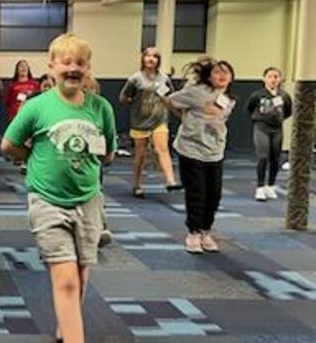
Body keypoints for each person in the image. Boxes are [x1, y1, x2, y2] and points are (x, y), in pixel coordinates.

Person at [2, 34, 116, 343]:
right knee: (65, 280)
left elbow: (108, 153)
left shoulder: (101, 107)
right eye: (66, 62)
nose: (73, 68)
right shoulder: (37, 107)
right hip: (47, 200)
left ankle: (65, 328)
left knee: (80, 276)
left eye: (80, 63)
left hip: (89, 200)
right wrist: (34, 158)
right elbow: (8, 145)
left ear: (88, 68)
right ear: (51, 67)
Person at [166, 58, 236, 254]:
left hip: (215, 151)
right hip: (191, 148)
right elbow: (170, 100)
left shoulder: (229, 99)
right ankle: (193, 232)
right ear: (209, 76)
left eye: (226, 73)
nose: (222, 76)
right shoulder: (196, 91)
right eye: (217, 72)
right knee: (196, 192)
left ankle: (206, 231)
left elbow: (219, 121)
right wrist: (184, 118)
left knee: (214, 195)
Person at [119, 47, 181, 198]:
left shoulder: (164, 79)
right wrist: (130, 100)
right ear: (143, 59)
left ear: (158, 61)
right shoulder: (135, 79)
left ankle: (170, 181)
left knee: (162, 148)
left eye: (155, 56)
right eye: (148, 56)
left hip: (159, 119)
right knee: (140, 153)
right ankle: (137, 184)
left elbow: (170, 99)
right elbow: (123, 97)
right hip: (140, 120)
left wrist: (179, 114)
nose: (151, 59)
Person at [246, 67, 293, 201]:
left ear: (280, 79)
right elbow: (249, 109)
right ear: (264, 79)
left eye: (276, 77)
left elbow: (288, 111)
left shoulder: (284, 96)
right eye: (270, 76)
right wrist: (258, 119)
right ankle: (260, 187)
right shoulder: (257, 95)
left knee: (275, 158)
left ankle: (270, 185)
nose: (273, 79)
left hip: (277, 129)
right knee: (263, 157)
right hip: (261, 128)